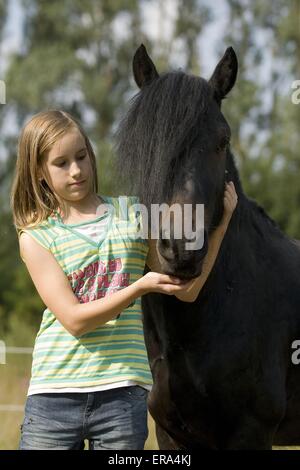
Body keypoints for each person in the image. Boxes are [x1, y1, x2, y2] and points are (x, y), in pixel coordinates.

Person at [10, 110, 238, 450]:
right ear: (40, 172)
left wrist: (220, 227)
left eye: (81, 156)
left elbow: (187, 291)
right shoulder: (36, 236)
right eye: (61, 163)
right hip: (54, 399)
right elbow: (74, 320)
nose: (76, 170)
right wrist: (140, 286)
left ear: (91, 154)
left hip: (121, 396)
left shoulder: (134, 213)